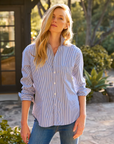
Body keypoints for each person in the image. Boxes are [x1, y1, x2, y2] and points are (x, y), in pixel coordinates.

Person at [18, 3, 91, 144]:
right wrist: (23, 123)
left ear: (66, 24)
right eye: (52, 16)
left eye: (60, 18)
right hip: (43, 119)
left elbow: (80, 87)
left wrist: (82, 117)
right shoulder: (30, 52)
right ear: (46, 20)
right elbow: (27, 89)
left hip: (71, 118)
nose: (55, 20)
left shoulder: (74, 52)